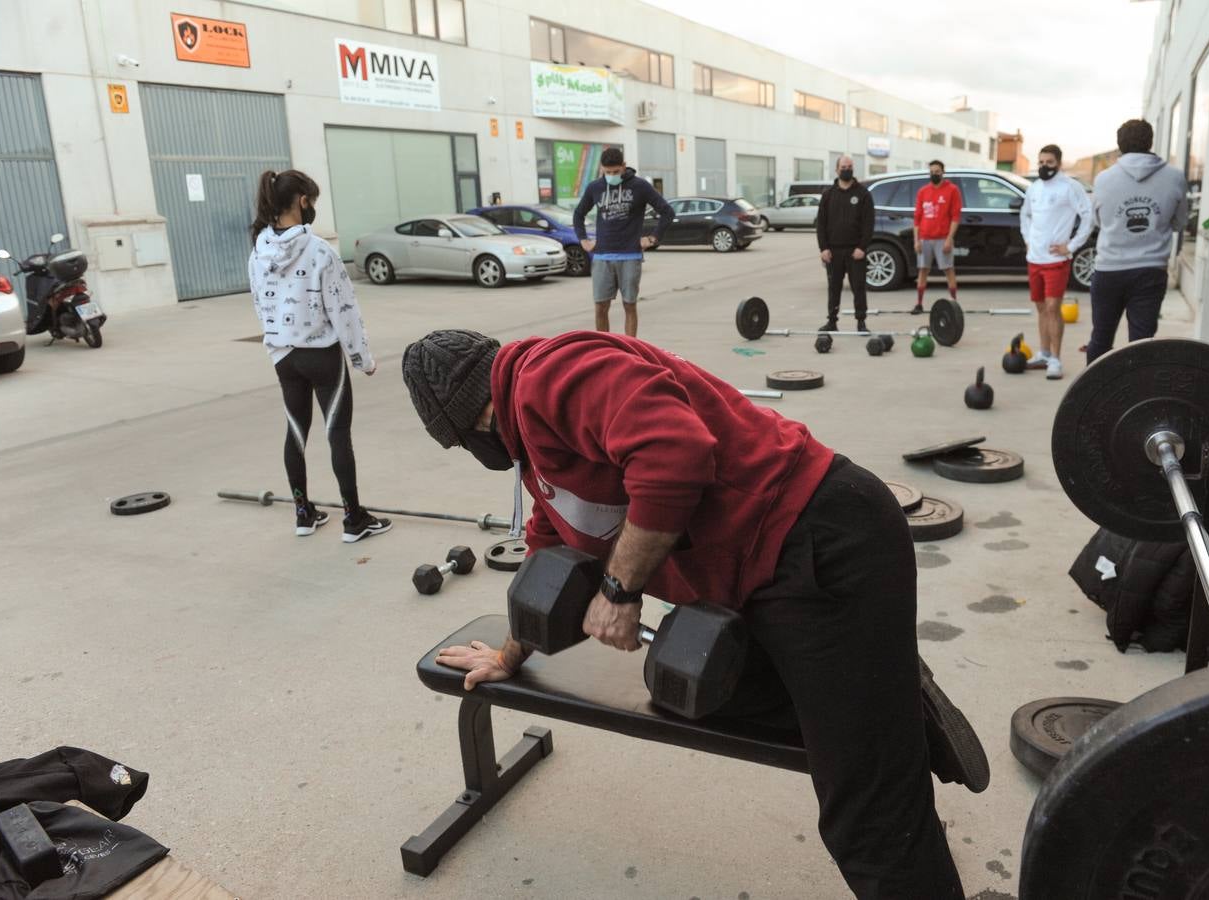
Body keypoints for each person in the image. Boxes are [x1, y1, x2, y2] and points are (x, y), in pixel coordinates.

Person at [401, 328, 990, 899]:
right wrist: (509, 655)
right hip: (760, 578)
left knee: (868, 817)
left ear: (470, 422)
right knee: (708, 691)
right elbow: (549, 550)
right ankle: (884, 695)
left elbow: (675, 453)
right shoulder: (538, 452)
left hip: (821, 544)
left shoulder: (552, 375)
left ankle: (881, 719)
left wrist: (618, 592)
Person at [248, 169, 391, 543]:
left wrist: (277, 341)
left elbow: (259, 306)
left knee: (295, 431)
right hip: (321, 356)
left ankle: (303, 513)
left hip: (284, 357)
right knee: (337, 433)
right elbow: (343, 311)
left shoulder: (258, 252)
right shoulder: (319, 251)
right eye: (313, 200)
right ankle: (353, 518)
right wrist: (362, 359)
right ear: (303, 201)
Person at [1086, 119, 1189, 363]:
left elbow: (1098, 221)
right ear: (1150, 141)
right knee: (1142, 343)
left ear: (1119, 144)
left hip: (1110, 269)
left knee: (1100, 338)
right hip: (1150, 270)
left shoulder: (1103, 179)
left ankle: (1090, 398)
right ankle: (1138, 397)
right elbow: (1180, 223)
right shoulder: (1175, 177)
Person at [572, 148, 674, 338]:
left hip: (630, 256)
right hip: (602, 256)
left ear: (624, 167)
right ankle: (604, 348)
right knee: (601, 306)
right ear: (602, 169)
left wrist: (653, 238)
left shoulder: (640, 186)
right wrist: (583, 239)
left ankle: (630, 348)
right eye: (607, 172)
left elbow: (667, 212)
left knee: (629, 305)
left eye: (616, 172)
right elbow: (578, 214)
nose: (611, 176)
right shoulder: (595, 187)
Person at [1020, 144, 1092, 380]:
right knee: (1041, 308)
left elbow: (1088, 216)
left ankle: (1055, 360)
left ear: (1059, 164)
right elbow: (1026, 215)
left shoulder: (1070, 187)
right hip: (1035, 259)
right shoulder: (1034, 188)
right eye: (1040, 162)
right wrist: (1028, 239)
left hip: (1056, 260)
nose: (1044, 167)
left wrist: (1070, 246)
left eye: (1049, 162)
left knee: (1053, 308)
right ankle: (1042, 353)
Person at [816, 155, 875, 332]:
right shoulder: (828, 195)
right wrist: (824, 248)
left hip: (855, 251)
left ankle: (861, 322)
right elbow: (821, 224)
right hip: (833, 251)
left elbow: (868, 224)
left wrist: (862, 247)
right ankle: (832, 321)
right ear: (837, 170)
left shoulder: (863, 194)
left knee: (858, 288)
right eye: (843, 167)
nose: (847, 170)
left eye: (849, 167)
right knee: (834, 288)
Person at [913, 160, 963, 314]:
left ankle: (954, 303)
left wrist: (949, 238)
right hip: (925, 237)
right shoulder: (923, 191)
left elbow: (955, 217)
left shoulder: (952, 190)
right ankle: (919, 303)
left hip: (942, 238)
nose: (934, 174)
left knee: (948, 270)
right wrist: (916, 240)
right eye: (932, 171)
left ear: (943, 172)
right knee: (923, 270)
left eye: (937, 171)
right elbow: (917, 218)